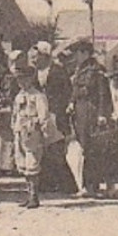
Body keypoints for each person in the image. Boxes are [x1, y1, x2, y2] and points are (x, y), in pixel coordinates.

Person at [67, 41, 118, 197]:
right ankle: (90, 186)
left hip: (94, 113)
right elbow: (74, 91)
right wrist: (71, 103)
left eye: (78, 53)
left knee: (102, 149)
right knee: (87, 149)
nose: (75, 57)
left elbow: (103, 94)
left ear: (86, 53)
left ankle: (109, 185)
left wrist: (102, 114)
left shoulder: (97, 70)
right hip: (81, 114)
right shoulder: (79, 70)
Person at [29, 42, 78, 195]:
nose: (34, 60)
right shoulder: (35, 73)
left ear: (45, 56)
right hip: (41, 114)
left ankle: (67, 185)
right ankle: (47, 183)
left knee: (56, 149)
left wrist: (57, 111)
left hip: (56, 114)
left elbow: (66, 93)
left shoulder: (58, 71)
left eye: (36, 57)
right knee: (43, 148)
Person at [9, 55, 56, 208]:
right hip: (20, 131)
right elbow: (15, 113)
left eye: (25, 79)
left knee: (32, 163)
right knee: (22, 162)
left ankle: (34, 196)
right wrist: (14, 127)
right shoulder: (19, 96)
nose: (22, 83)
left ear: (31, 79)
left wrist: (45, 134)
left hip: (32, 131)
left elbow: (44, 116)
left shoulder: (38, 96)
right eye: (19, 80)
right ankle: (28, 194)